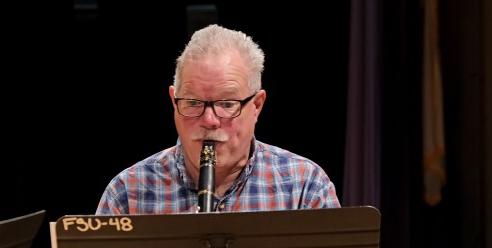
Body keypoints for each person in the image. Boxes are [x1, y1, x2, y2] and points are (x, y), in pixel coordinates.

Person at [96, 24, 340, 215]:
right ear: (174, 101)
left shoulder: (306, 186)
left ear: (256, 105)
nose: (210, 120)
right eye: (192, 103)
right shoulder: (126, 193)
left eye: (226, 104)